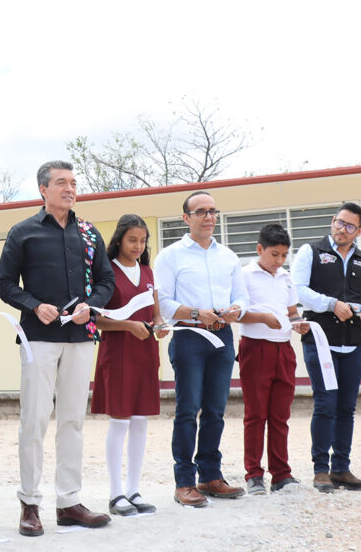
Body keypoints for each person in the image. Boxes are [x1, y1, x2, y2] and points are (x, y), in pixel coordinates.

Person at [0, 160, 115, 537]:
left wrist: (90, 305)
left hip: (81, 338)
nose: (70, 188)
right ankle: (30, 504)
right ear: (43, 190)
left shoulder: (88, 232)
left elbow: (106, 281)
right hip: (39, 339)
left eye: (73, 182)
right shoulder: (23, 232)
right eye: (61, 182)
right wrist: (33, 305)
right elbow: (4, 284)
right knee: (34, 420)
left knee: (72, 420)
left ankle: (69, 503)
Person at [152, 190, 249, 507]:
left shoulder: (229, 257)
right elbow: (163, 302)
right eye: (201, 212)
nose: (209, 217)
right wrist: (196, 313)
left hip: (222, 337)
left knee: (216, 410)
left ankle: (210, 475)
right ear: (186, 218)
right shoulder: (170, 256)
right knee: (188, 410)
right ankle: (184, 482)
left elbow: (242, 297)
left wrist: (235, 308)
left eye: (212, 211)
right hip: (189, 337)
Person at [292, 202, 361, 492]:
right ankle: (321, 470)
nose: (342, 229)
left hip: (354, 341)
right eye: (339, 222)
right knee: (326, 404)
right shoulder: (311, 251)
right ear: (333, 221)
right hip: (320, 338)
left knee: (347, 407)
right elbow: (299, 290)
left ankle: (341, 468)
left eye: (350, 226)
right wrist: (332, 304)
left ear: (360, 230)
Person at [90, 214, 168, 516]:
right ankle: (115, 494)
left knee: (140, 421)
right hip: (119, 351)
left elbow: (157, 314)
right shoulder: (106, 271)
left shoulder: (148, 271)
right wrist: (129, 327)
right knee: (120, 421)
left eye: (143, 240)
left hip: (146, 351)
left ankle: (134, 490)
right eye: (132, 240)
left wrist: (160, 326)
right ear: (119, 239)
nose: (138, 246)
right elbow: (96, 319)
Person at [237, 223, 309, 495]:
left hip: (284, 349)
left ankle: (281, 473)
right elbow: (236, 313)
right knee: (256, 415)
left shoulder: (286, 278)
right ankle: (254, 474)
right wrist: (263, 318)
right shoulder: (244, 275)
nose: (279, 261)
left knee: (280, 415)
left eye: (283, 256)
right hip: (255, 348)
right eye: (274, 254)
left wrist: (299, 323)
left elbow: (292, 312)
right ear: (259, 249)